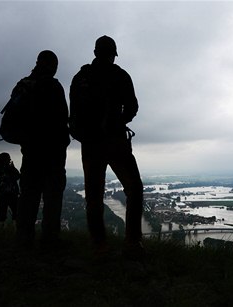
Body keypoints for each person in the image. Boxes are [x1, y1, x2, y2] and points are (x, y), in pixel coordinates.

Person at [70, 35, 144, 258]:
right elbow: (132, 107)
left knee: (94, 195)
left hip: (90, 144)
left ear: (95, 53)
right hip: (115, 141)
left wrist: (84, 134)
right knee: (134, 188)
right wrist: (118, 122)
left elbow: (73, 115)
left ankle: (99, 244)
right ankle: (132, 243)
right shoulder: (120, 76)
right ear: (112, 54)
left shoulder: (80, 77)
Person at [12, 50, 70, 247]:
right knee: (52, 197)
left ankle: (24, 238)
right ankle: (50, 239)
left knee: (28, 195)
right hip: (53, 154)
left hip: (31, 152)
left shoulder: (23, 86)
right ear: (52, 66)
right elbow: (63, 119)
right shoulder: (54, 87)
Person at [0, 152, 20, 226]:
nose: (9, 160)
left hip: (1, 194)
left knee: (2, 212)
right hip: (12, 193)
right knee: (16, 212)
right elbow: (17, 177)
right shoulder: (8, 168)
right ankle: (15, 229)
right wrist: (13, 168)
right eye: (9, 159)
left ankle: (2, 229)